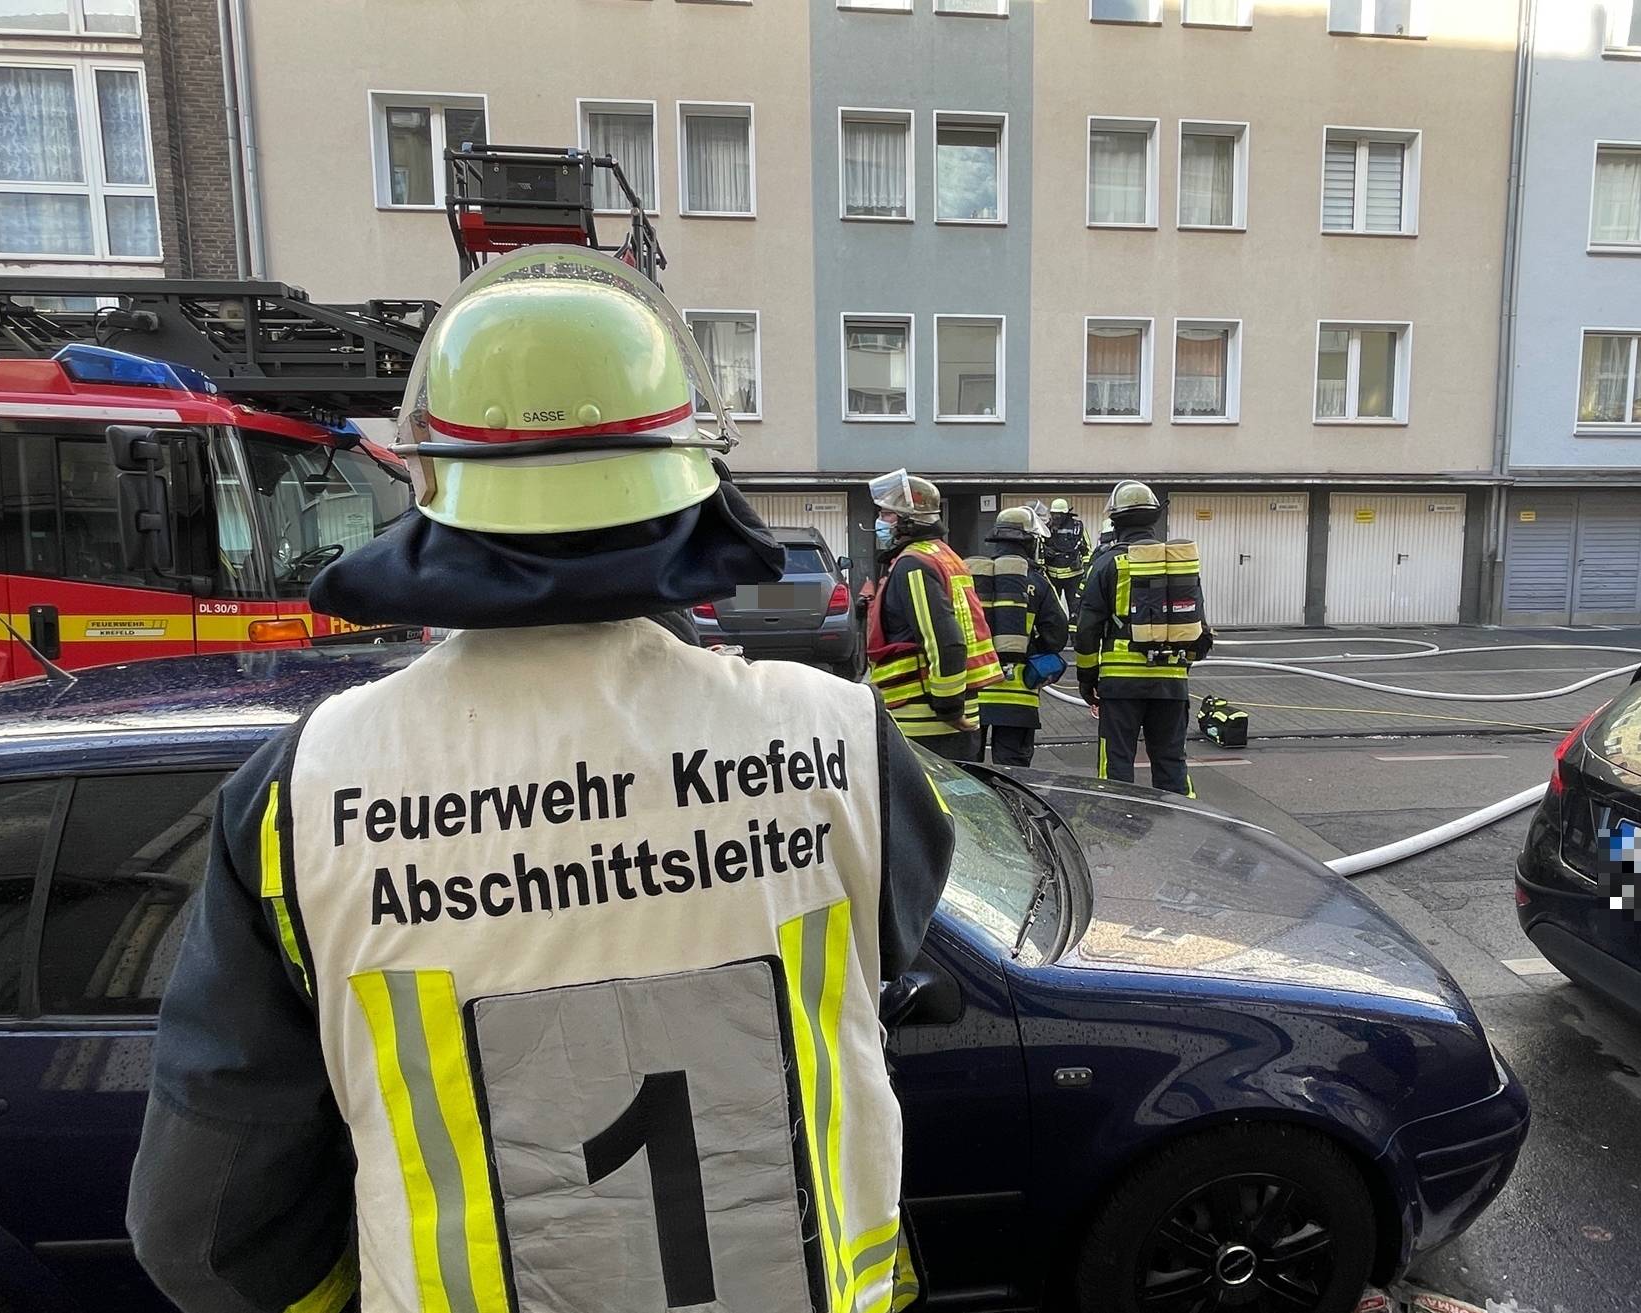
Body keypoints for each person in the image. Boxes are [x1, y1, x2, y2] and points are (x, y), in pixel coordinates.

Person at [126, 247, 954, 1313]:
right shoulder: (840, 738)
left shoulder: (303, 793)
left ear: (427, 479)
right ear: (697, 472)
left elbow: (201, 1233)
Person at [1073, 479, 1212, 796]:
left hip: (1120, 684)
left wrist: (1087, 678)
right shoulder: (1178, 567)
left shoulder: (1107, 564)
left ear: (1115, 520)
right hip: (1171, 681)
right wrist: (1180, 667)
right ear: (1153, 517)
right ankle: (1182, 823)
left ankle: (1119, 824)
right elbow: (1199, 631)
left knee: (1117, 762)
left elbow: (1086, 629)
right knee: (1171, 760)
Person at [865, 469, 1002, 762]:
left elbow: (945, 641)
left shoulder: (912, 564)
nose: (880, 522)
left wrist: (948, 706)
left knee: (927, 805)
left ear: (907, 521)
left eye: (886, 515)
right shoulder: (942, 554)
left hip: (925, 718)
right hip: (952, 710)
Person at [968, 506, 1069, 767]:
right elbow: (1057, 637)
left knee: (967, 773)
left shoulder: (971, 579)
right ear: (1031, 543)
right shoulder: (1038, 581)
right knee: (1014, 776)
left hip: (973, 694)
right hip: (1018, 698)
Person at [1040, 496, 1091, 622]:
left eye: (1059, 515)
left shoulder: (1077, 527)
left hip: (1073, 576)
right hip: (1052, 576)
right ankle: (1056, 638)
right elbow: (1039, 548)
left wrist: (1087, 570)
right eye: (1054, 514)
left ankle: (1075, 639)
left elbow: (1086, 550)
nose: (1055, 518)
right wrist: (1045, 551)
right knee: (1052, 609)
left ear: (1066, 514)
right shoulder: (1047, 527)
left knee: (1075, 609)